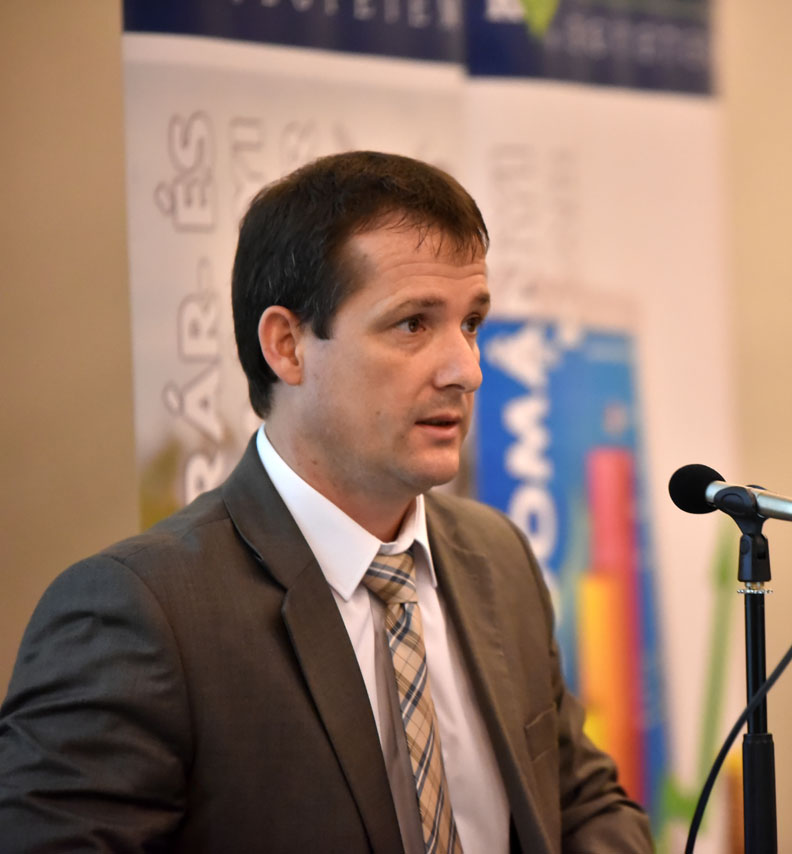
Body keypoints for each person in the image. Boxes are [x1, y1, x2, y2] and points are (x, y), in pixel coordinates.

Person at [0, 151, 652, 854]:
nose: (466, 369)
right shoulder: (140, 613)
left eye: (471, 323)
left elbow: (580, 802)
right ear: (287, 346)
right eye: (413, 324)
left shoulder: (498, 557)